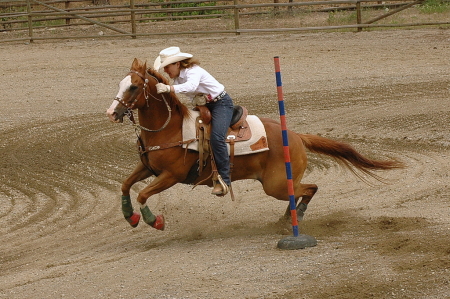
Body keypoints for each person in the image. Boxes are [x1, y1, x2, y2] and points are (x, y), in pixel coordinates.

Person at [153, 46, 234, 196]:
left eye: (167, 67)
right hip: (205, 105)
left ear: (177, 64)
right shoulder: (178, 78)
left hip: (221, 104)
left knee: (216, 138)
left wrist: (168, 88)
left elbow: (191, 86)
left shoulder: (193, 71)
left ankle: (225, 179)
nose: (165, 71)